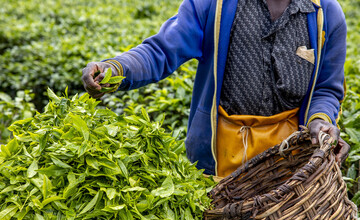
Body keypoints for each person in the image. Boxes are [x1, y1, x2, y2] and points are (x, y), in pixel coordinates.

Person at [82, 0, 350, 177]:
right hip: (218, 153)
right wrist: (116, 68)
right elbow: (162, 50)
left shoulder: (326, 14)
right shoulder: (214, 4)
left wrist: (320, 121)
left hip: (289, 160)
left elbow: (326, 88)